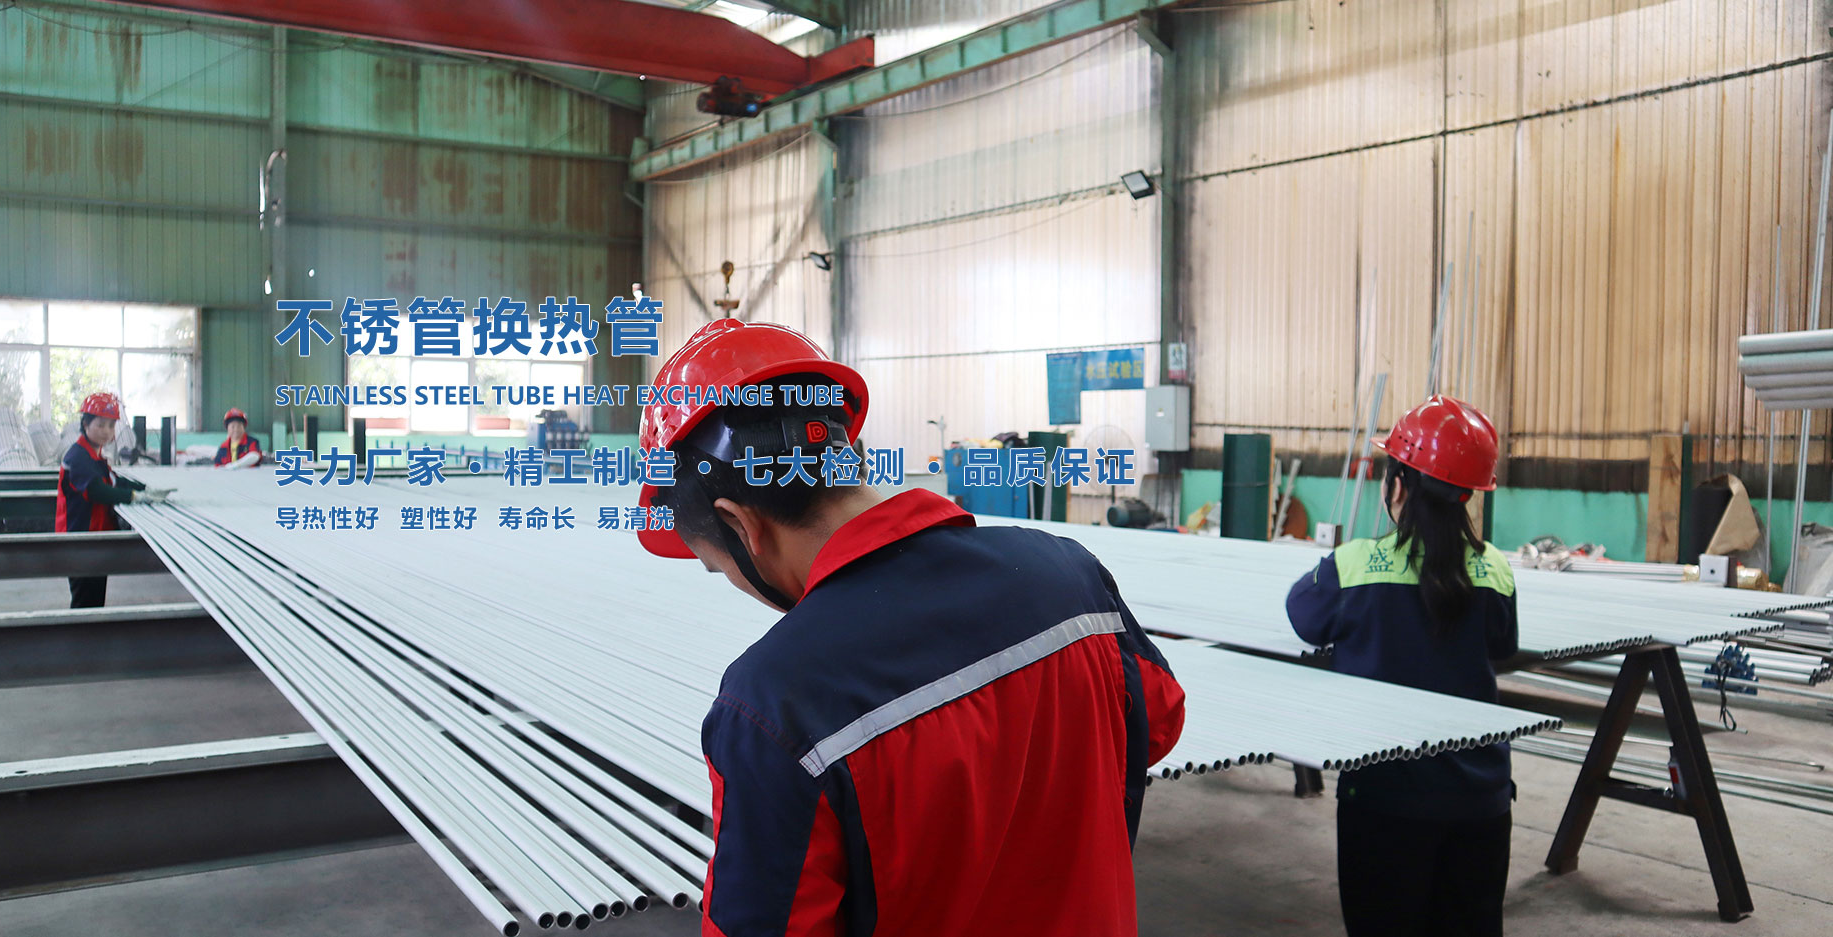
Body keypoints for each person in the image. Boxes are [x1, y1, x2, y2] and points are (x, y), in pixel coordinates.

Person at [637, 319, 1186, 937]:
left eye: (718, 567)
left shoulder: (772, 704)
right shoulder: (1068, 574)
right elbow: (1158, 722)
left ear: (740, 525)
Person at [1285, 395, 1518, 937]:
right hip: (1480, 801)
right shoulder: (1495, 569)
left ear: (1399, 485)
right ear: (1468, 495)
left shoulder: (1353, 565)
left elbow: (1303, 616)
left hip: (1385, 799)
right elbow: (1503, 644)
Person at [57, 392, 172, 608]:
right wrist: (135, 497)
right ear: (85, 424)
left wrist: (145, 488)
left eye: (111, 426)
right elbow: (97, 491)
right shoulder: (78, 457)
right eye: (100, 425)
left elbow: (113, 481)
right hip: (80, 541)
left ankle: (91, 628)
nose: (106, 431)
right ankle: (83, 630)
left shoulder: (95, 455)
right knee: (85, 600)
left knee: (94, 598)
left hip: (95, 539)